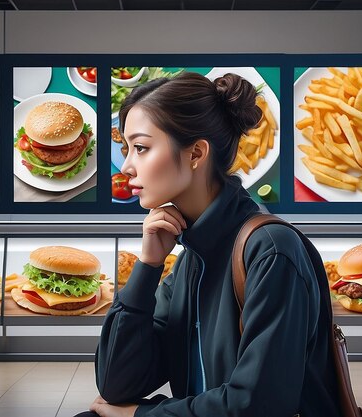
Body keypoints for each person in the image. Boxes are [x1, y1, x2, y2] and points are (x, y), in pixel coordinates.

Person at [77, 72, 341, 417]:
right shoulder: (190, 258)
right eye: (128, 149)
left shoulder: (271, 250)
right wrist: (148, 267)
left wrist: (139, 415)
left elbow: (260, 405)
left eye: (140, 148)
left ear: (196, 153)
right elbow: (116, 383)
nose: (126, 166)